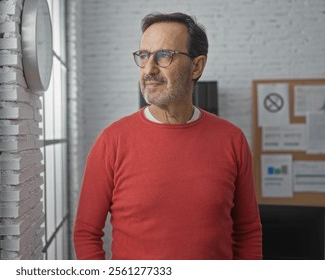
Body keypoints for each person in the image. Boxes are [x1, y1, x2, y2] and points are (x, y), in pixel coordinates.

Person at [73, 12, 262, 260]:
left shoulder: (232, 139)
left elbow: (247, 232)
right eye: (144, 55)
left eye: (164, 56)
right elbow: (86, 233)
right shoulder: (111, 141)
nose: (149, 69)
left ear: (197, 66)